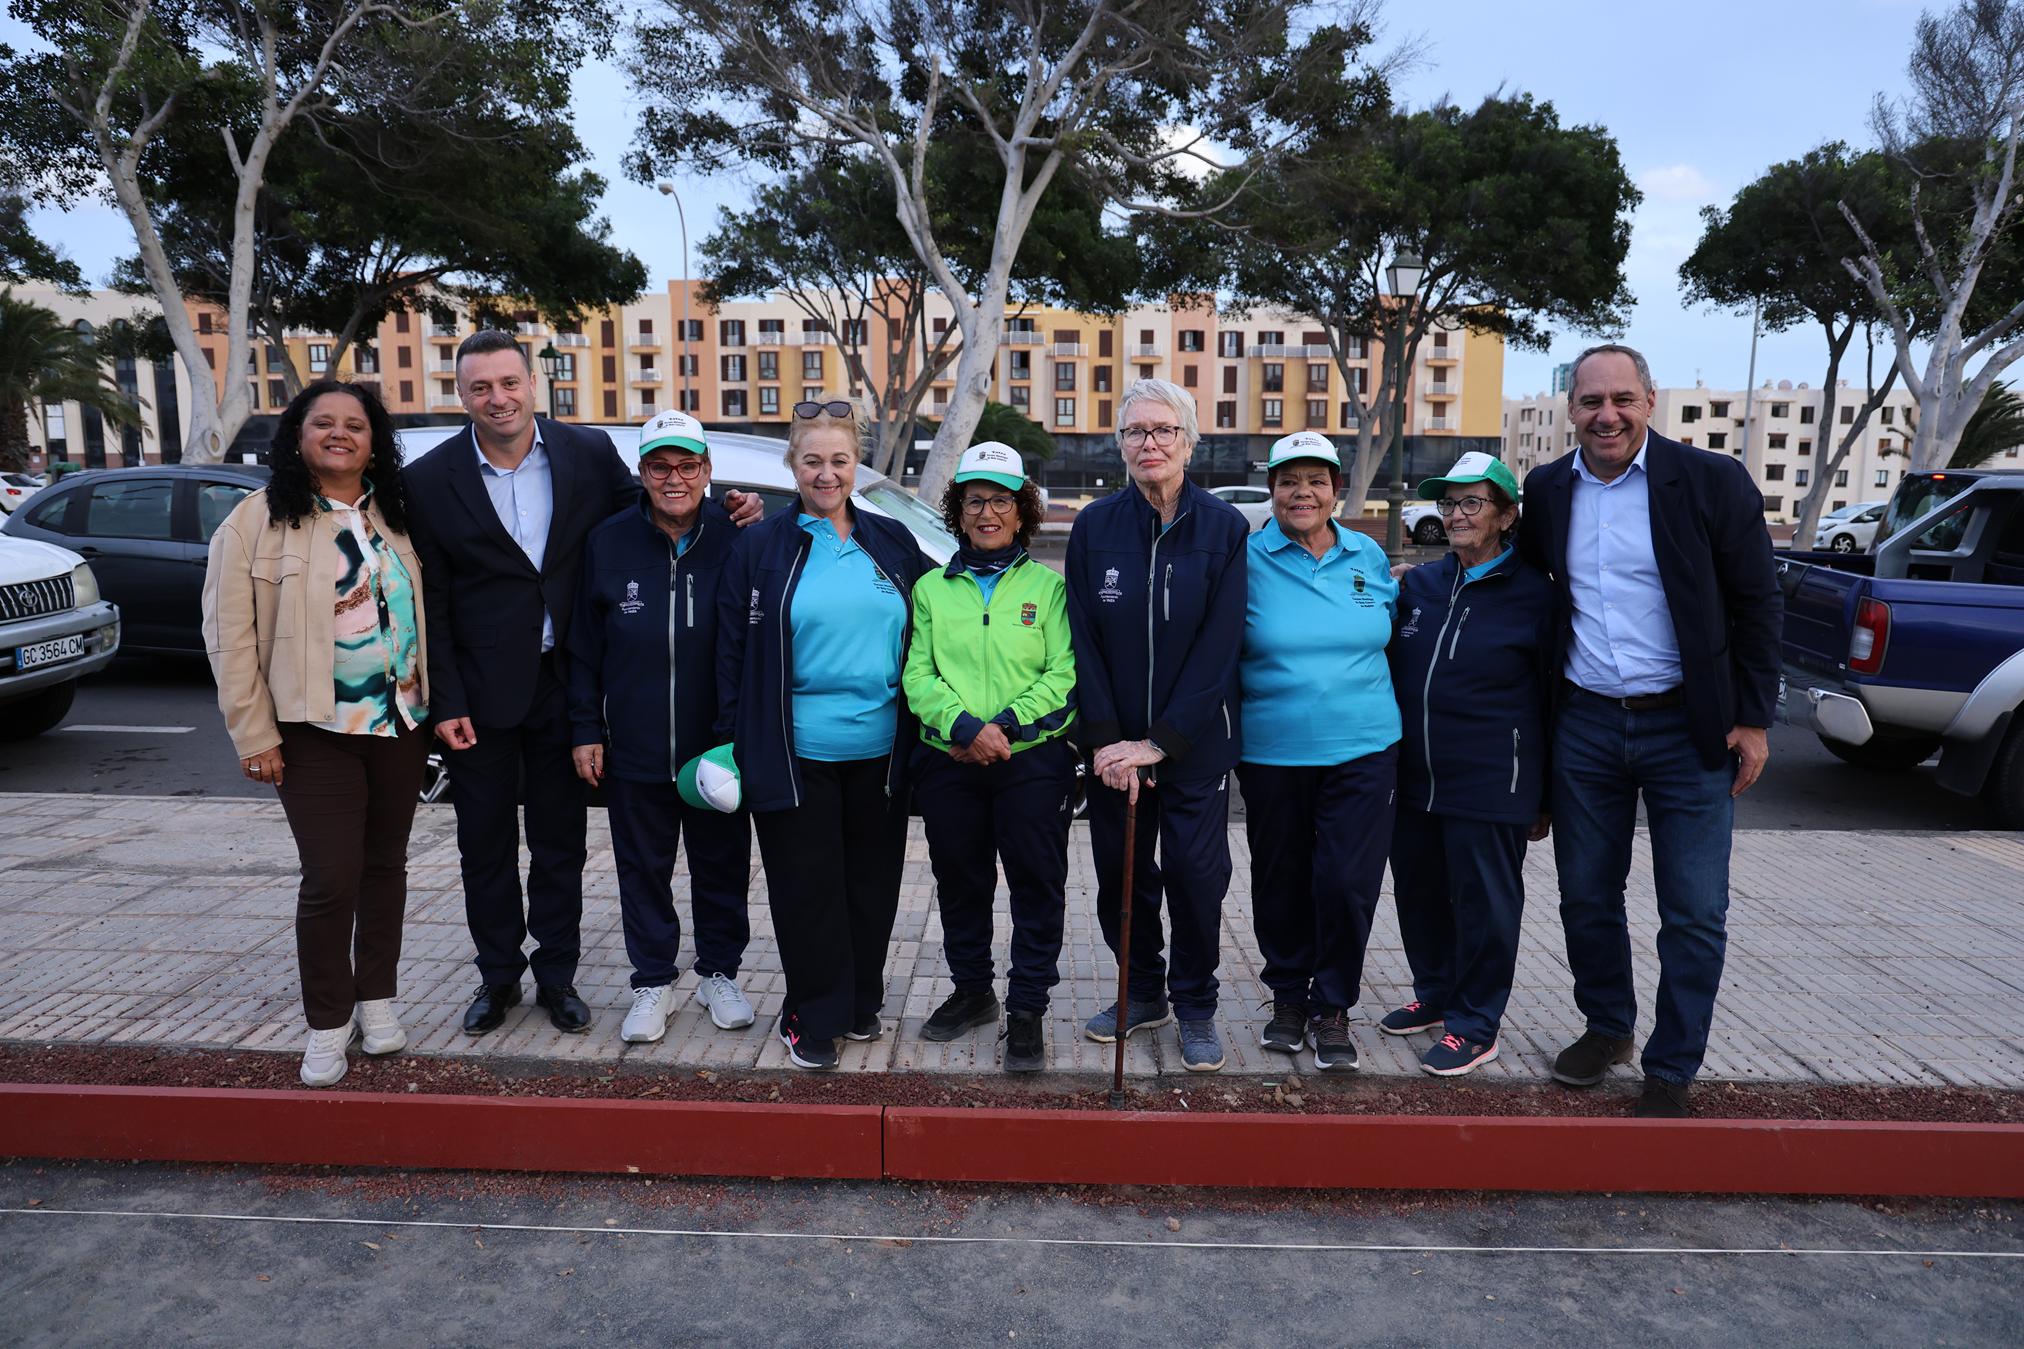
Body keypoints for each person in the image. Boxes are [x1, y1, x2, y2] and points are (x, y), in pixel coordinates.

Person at [403, 329, 761, 1039]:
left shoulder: (587, 453)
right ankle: (498, 975)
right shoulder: (429, 478)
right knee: (485, 845)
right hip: (483, 693)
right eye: (481, 386)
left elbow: (660, 503)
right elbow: (431, 600)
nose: (498, 397)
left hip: (561, 681)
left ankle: (557, 976)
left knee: (561, 843)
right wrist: (446, 699)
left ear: (534, 384)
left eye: (510, 382)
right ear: (463, 393)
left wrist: (730, 507)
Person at [1519, 343, 1781, 1118]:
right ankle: (1607, 1027)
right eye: (1592, 401)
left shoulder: (1709, 481)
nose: (1607, 415)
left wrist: (1754, 718)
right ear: (1570, 408)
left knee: (1695, 908)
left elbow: (1758, 601)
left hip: (1689, 727)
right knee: (1586, 895)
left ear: (1650, 400)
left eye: (1622, 399)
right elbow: (1541, 608)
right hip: (1586, 723)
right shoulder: (1547, 490)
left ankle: (1672, 1063)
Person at [201, 380, 431, 1087]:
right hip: (313, 731)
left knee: (386, 868)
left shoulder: (394, 513)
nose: (339, 434)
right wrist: (253, 734)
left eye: (355, 425)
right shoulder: (254, 521)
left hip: (398, 724)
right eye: (322, 422)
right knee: (331, 878)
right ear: (296, 435)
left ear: (374, 439)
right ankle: (328, 1023)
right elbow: (229, 637)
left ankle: (379, 1000)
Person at [716, 396, 930, 1070]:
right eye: (813, 460)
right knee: (809, 891)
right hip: (793, 750)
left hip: (881, 753)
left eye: (839, 459)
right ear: (792, 463)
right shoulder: (759, 545)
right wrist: (728, 741)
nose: (827, 472)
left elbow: (933, 626)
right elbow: (729, 652)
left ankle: (859, 1000)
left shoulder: (890, 540)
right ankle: (811, 1012)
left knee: (871, 886)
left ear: (856, 463)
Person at [1064, 378, 1248, 1072]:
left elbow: (1220, 646)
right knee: (1121, 875)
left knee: (1199, 877)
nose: (1150, 443)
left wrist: (1162, 741)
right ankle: (1141, 990)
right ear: (1120, 444)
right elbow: (1082, 637)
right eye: (1136, 431)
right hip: (1114, 749)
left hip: (1194, 746)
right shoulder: (1094, 525)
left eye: (1164, 430)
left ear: (1189, 441)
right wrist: (1110, 738)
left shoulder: (1224, 528)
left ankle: (1196, 1003)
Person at [566, 410, 755, 1046]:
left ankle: (719, 974)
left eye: (687, 466)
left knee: (722, 866)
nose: (674, 478)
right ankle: (652, 980)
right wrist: (585, 728)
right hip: (637, 742)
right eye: (659, 466)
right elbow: (584, 649)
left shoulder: (739, 535)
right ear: (641, 473)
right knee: (642, 868)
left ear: (707, 471)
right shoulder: (609, 541)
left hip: (718, 747)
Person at [902, 442, 1078, 1072]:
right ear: (959, 509)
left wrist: (1001, 726)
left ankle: (1027, 1008)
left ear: (1022, 510)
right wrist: (963, 726)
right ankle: (974, 992)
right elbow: (917, 673)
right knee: (962, 881)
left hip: (1030, 761)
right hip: (949, 757)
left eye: (1001, 500)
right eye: (975, 500)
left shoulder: (1049, 589)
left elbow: (1063, 675)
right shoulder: (929, 589)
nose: (987, 512)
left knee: (1036, 884)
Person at [1383, 451, 1557, 1077]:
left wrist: (1545, 796)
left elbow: (1553, 698)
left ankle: (1476, 1023)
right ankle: (1436, 992)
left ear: (1507, 515)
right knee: (1420, 891)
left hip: (1494, 780)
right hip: (1415, 775)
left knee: (1484, 904)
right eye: (1448, 503)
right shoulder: (1422, 584)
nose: (1455, 515)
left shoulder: (1538, 596)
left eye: (1471, 503)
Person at [1235, 431, 1400, 1074]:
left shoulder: (1368, 555)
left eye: (1316, 480)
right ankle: (1287, 1000)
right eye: (1288, 481)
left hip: (1364, 749)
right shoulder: (1245, 559)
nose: (1302, 492)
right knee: (1280, 880)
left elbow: (1394, 627)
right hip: (1273, 751)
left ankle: (1333, 1004)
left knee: (1346, 884)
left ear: (1336, 490)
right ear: (1272, 490)